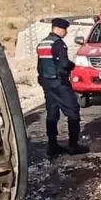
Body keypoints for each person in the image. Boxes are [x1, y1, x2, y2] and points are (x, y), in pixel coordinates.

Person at [37, 18, 89, 156]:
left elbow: (40, 66)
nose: (66, 32)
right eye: (66, 30)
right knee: (73, 111)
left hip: (47, 83)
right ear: (60, 29)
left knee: (52, 114)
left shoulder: (42, 43)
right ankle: (73, 146)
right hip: (60, 83)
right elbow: (64, 63)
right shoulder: (58, 44)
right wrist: (72, 65)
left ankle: (52, 146)